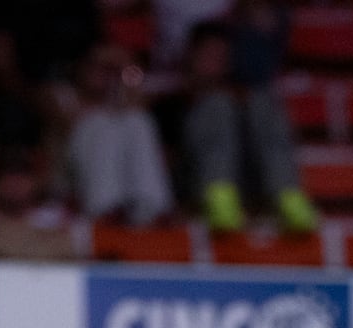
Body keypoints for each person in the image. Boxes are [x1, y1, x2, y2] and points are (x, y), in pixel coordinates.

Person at [176, 19, 312, 235]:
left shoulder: (243, 101)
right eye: (208, 55)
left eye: (221, 58)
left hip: (249, 187)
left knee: (262, 104)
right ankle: (219, 196)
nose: (214, 64)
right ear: (191, 55)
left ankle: (288, 197)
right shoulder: (170, 103)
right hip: (195, 187)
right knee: (216, 105)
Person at [67, 42, 171, 224]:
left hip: (125, 185)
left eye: (107, 69)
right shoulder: (61, 95)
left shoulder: (123, 106)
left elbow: (137, 93)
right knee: (99, 122)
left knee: (138, 120)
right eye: (94, 65)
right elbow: (67, 118)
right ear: (79, 68)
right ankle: (105, 210)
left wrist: (126, 64)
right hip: (73, 175)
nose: (100, 73)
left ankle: (151, 208)